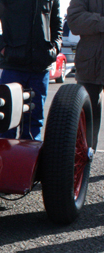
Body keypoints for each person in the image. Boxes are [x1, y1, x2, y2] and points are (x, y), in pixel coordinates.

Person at [0, 0, 62, 140]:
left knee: (33, 124)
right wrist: (3, 49)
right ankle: (8, 160)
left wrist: (54, 49)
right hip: (12, 67)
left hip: (40, 68)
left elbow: (57, 24)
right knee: (7, 121)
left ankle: (30, 160)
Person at [67, 1, 104, 149]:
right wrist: (102, 22)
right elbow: (74, 21)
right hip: (90, 65)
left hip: (89, 63)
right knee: (85, 120)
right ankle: (84, 162)